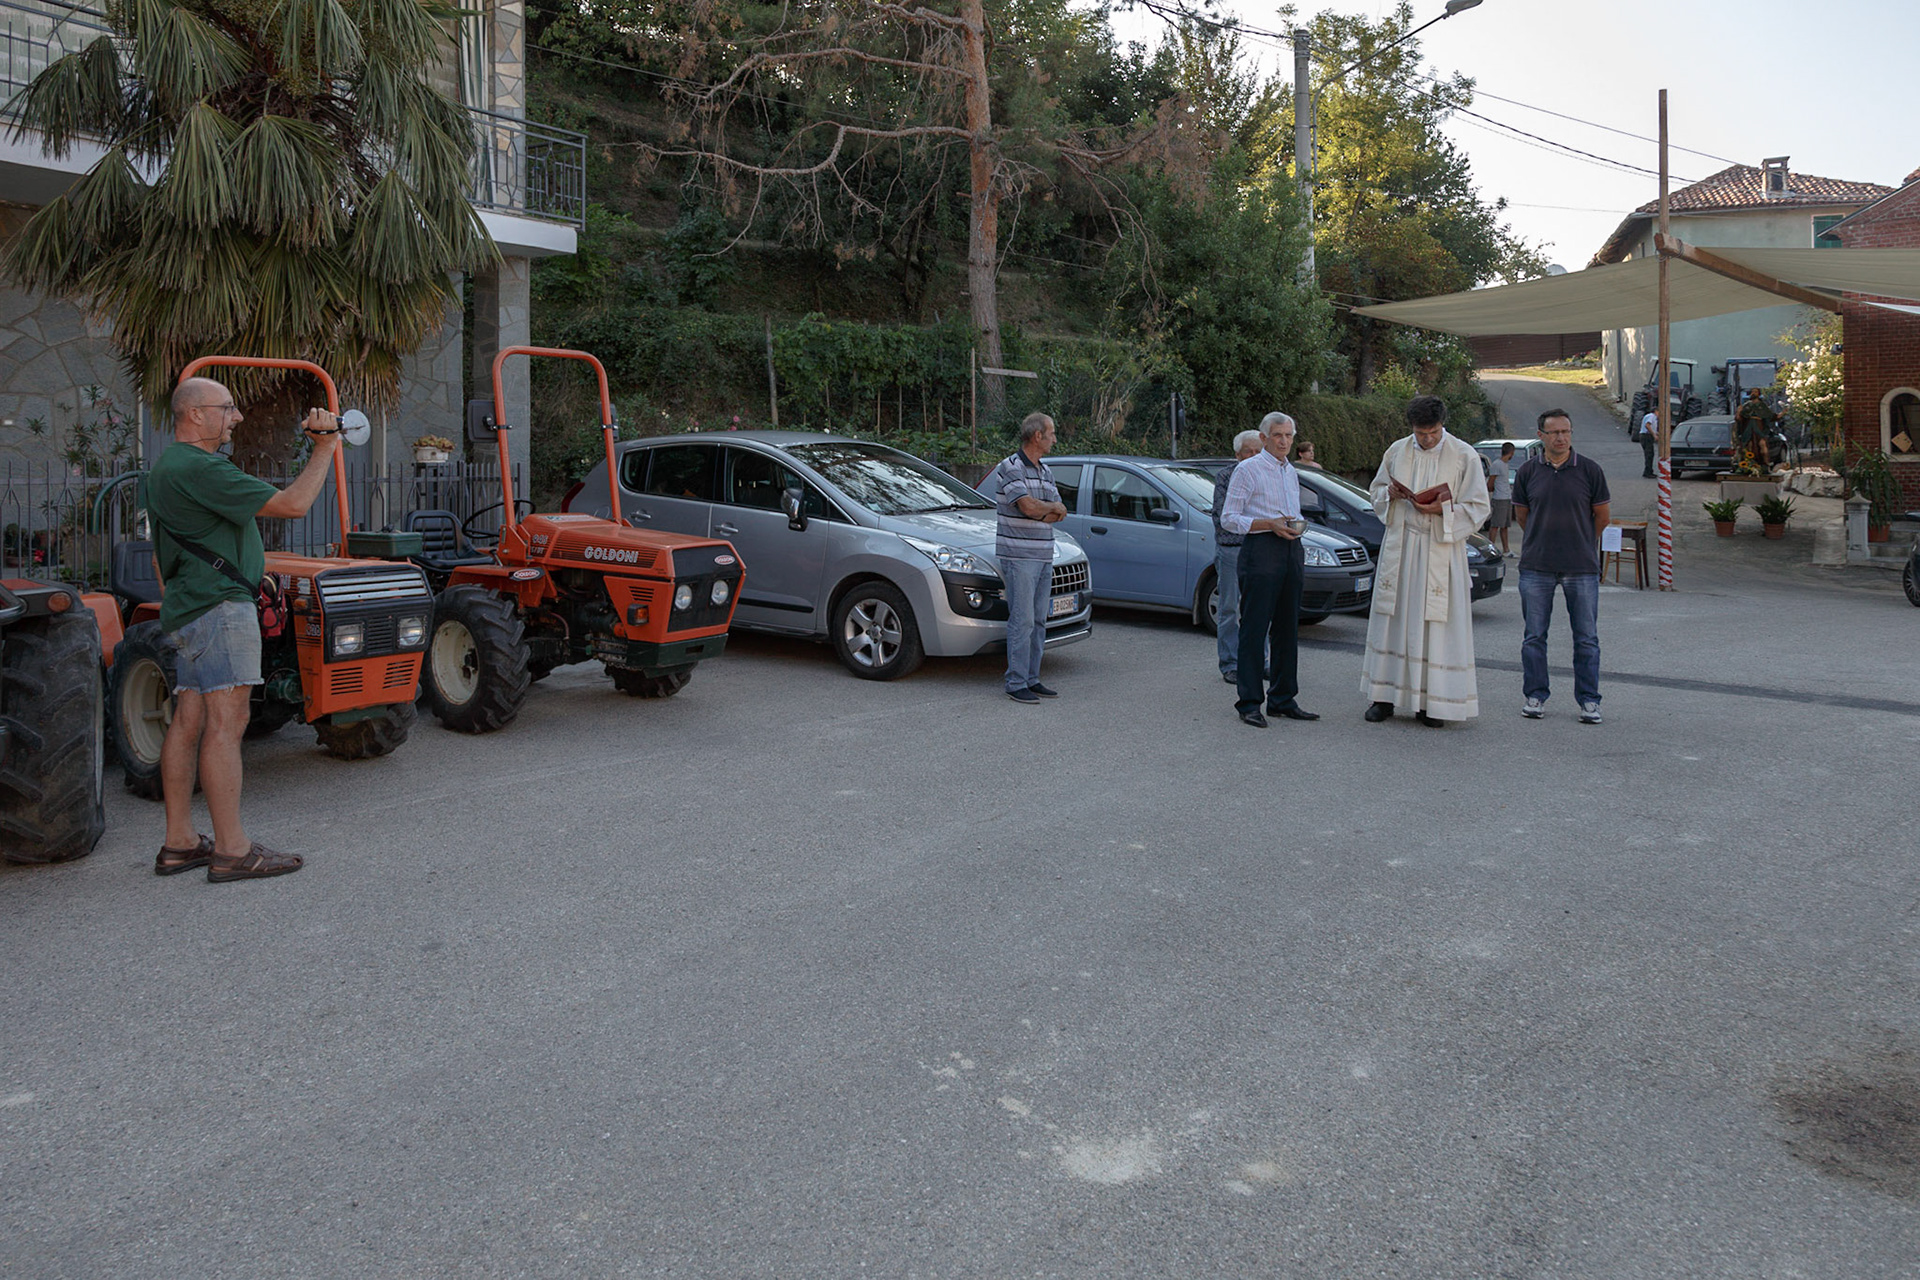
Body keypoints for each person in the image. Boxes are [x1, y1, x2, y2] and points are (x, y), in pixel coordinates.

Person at [148, 377, 343, 881]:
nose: (236, 417)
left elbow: (162, 553)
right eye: (227, 408)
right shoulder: (201, 467)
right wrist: (325, 447)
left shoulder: (167, 468)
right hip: (219, 610)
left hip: (192, 607)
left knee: (188, 721)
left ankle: (180, 842)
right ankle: (233, 850)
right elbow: (295, 503)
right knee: (225, 725)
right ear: (195, 414)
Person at [1359, 395, 1491, 727]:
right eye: (1420, 433)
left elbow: (1478, 507)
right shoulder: (1396, 451)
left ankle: (1431, 704)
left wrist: (1442, 509)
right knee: (1394, 622)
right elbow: (1375, 490)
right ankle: (1384, 697)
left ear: (1442, 425)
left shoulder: (1464, 455)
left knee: (1435, 627)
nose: (1426, 439)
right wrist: (1388, 495)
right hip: (1401, 550)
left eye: (1432, 432)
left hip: (1440, 552)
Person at [1511, 408, 1611, 724]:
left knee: (1586, 638)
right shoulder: (1527, 472)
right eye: (1554, 432)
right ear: (1541, 436)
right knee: (1534, 637)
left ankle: (1589, 701)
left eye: (1566, 431)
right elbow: (1522, 516)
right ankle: (1536, 696)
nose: (1561, 438)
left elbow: (1602, 517)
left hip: (1580, 567)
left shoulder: (1590, 471)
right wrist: (1543, 540)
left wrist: (1581, 543)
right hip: (1536, 566)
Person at [1219, 412, 1317, 727]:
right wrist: (1268, 525)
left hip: (1290, 548)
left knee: (1288, 627)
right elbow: (1229, 518)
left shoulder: (1290, 471)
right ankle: (1249, 703)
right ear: (1264, 438)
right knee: (1254, 627)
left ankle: (1283, 699)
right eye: (1278, 435)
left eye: (1289, 435)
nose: (1284, 441)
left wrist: (1294, 524)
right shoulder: (1247, 470)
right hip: (1260, 549)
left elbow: (1291, 510)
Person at [986, 412, 1068, 705]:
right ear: (1038, 436)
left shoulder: (1045, 471)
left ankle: (1032, 678)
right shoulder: (1010, 467)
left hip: (1044, 555)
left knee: (1038, 620)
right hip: (1019, 556)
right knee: (1021, 621)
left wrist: (1045, 509)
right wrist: (1046, 509)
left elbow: (1061, 512)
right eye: (1052, 433)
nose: (1055, 439)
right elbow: (1028, 508)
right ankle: (1016, 682)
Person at [1211, 429, 1264, 684]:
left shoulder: (1268, 476)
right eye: (1248, 452)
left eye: (1258, 452)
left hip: (1261, 548)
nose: (1253, 456)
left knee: (1259, 608)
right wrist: (1262, 523)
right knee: (1230, 608)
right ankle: (1230, 663)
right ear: (1237, 454)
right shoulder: (1225, 477)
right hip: (1232, 550)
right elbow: (1226, 520)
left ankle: (1260, 661)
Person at [1734, 388, 1777, 469]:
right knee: (1748, 447)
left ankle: (1766, 463)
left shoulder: (1762, 406)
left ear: (1758, 394)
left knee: (1763, 446)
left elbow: (1770, 416)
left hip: (1759, 429)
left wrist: (1782, 414)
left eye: (1755, 392)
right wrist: (1739, 412)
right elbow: (1740, 419)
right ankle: (1748, 464)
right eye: (1752, 392)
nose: (1753, 393)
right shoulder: (1746, 405)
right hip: (1748, 429)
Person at [1486, 442, 1515, 553]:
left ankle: (1506, 549)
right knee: (1495, 525)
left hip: (1507, 497)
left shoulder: (1505, 464)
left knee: (1505, 526)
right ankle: (1491, 550)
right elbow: (1490, 483)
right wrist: (1494, 490)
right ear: (1511, 453)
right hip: (1499, 499)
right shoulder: (1497, 464)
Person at [1637, 404, 1659, 478]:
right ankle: (1647, 472)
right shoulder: (1651, 416)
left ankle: (1649, 470)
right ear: (1656, 411)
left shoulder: (1653, 417)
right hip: (1646, 436)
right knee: (1649, 454)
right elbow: (1648, 425)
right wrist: (1654, 435)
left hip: (1647, 435)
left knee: (1650, 454)